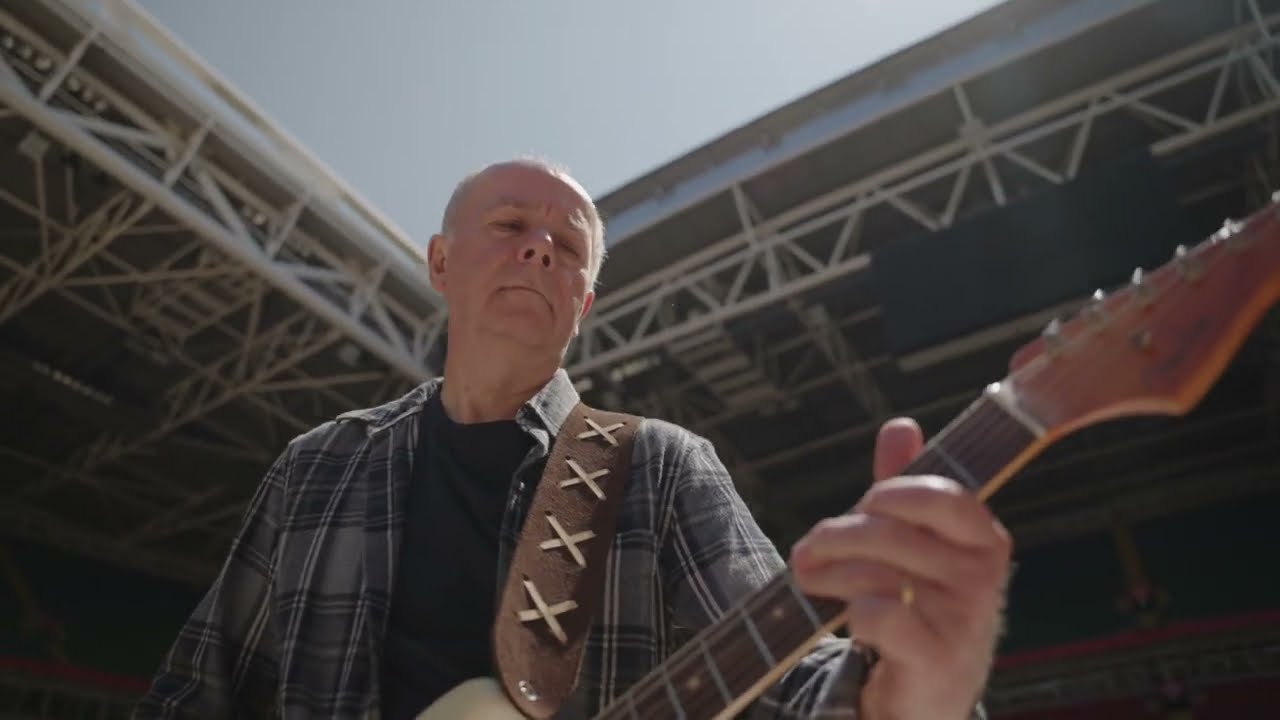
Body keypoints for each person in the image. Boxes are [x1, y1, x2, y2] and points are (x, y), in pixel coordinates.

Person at [134, 157, 1012, 720]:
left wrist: (909, 698)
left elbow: (789, 677)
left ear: (584, 305)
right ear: (440, 263)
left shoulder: (661, 467)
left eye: (568, 246)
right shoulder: (317, 466)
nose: (541, 251)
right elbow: (194, 689)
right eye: (511, 227)